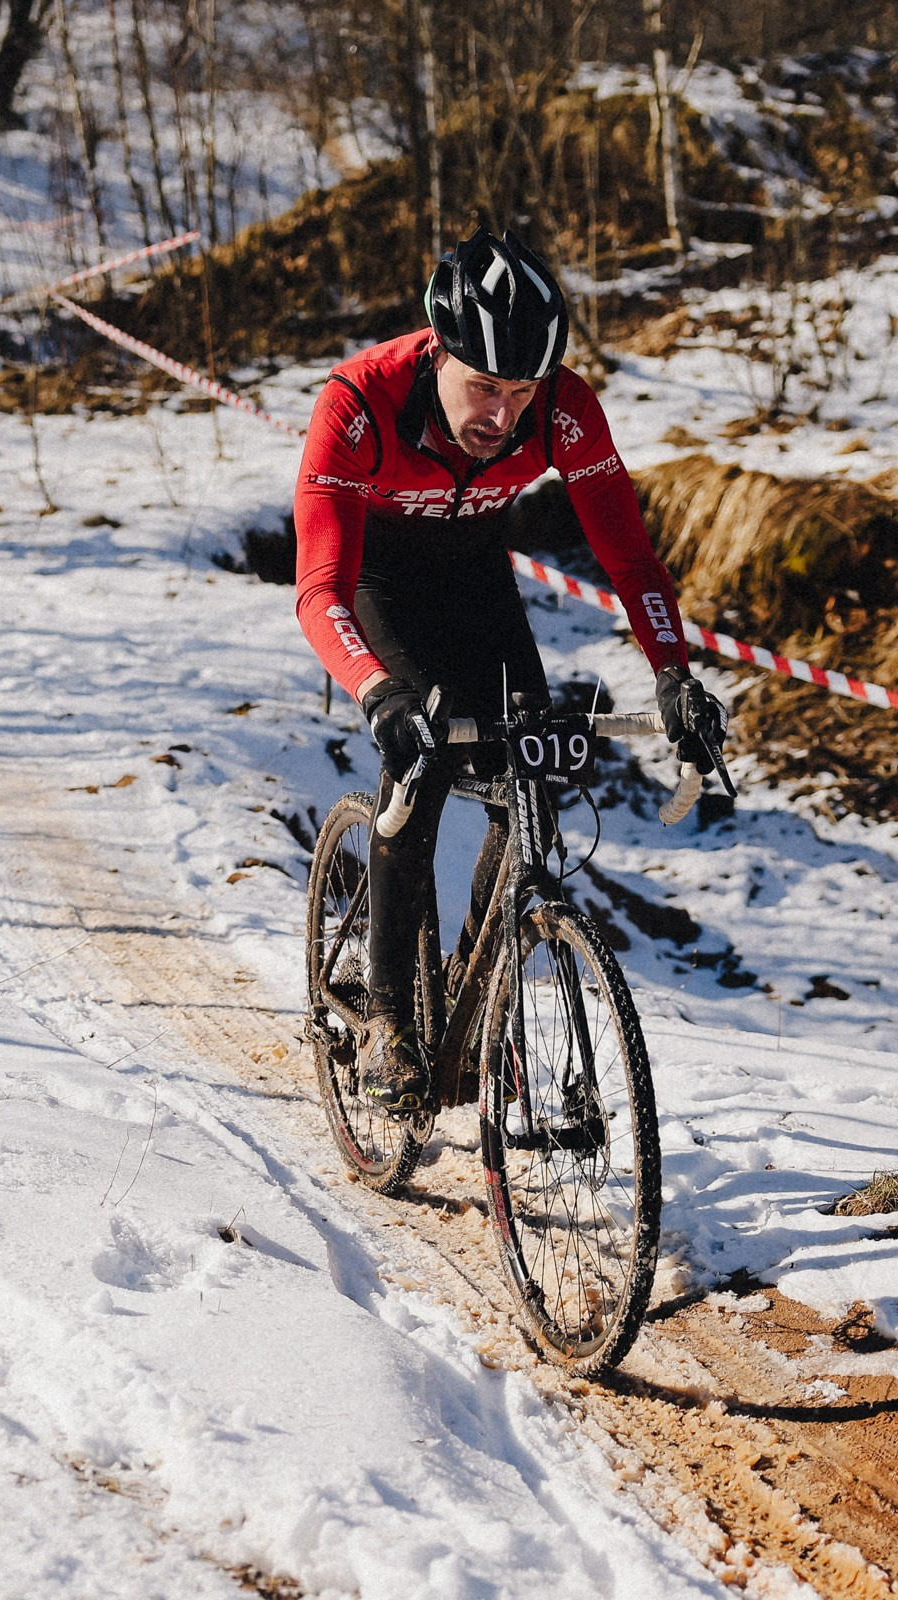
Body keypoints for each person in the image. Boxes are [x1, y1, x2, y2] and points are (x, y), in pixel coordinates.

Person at [292, 227, 728, 1112]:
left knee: (537, 766)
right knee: (419, 764)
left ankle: (473, 987)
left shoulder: (567, 411)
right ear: (438, 350)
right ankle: (384, 1018)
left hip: (476, 578)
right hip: (379, 582)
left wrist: (674, 674)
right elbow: (318, 586)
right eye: (482, 387)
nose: (500, 414)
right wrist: (378, 693)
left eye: (520, 392)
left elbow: (633, 563)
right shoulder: (359, 403)